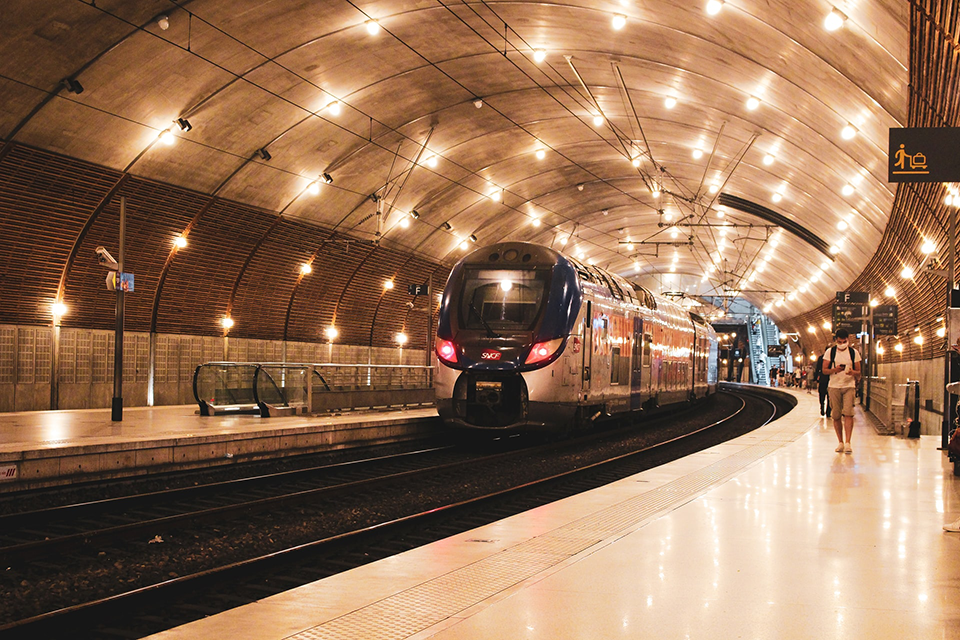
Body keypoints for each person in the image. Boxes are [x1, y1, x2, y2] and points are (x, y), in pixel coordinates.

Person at [823, 329, 862, 453]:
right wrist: (835, 370)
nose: (842, 344)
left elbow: (859, 371)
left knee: (849, 413)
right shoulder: (830, 352)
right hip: (834, 386)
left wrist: (852, 372)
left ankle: (848, 442)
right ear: (836, 341)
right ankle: (840, 442)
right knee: (836, 415)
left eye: (844, 341)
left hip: (849, 386)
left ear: (848, 340)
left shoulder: (853, 352)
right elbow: (824, 370)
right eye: (839, 342)